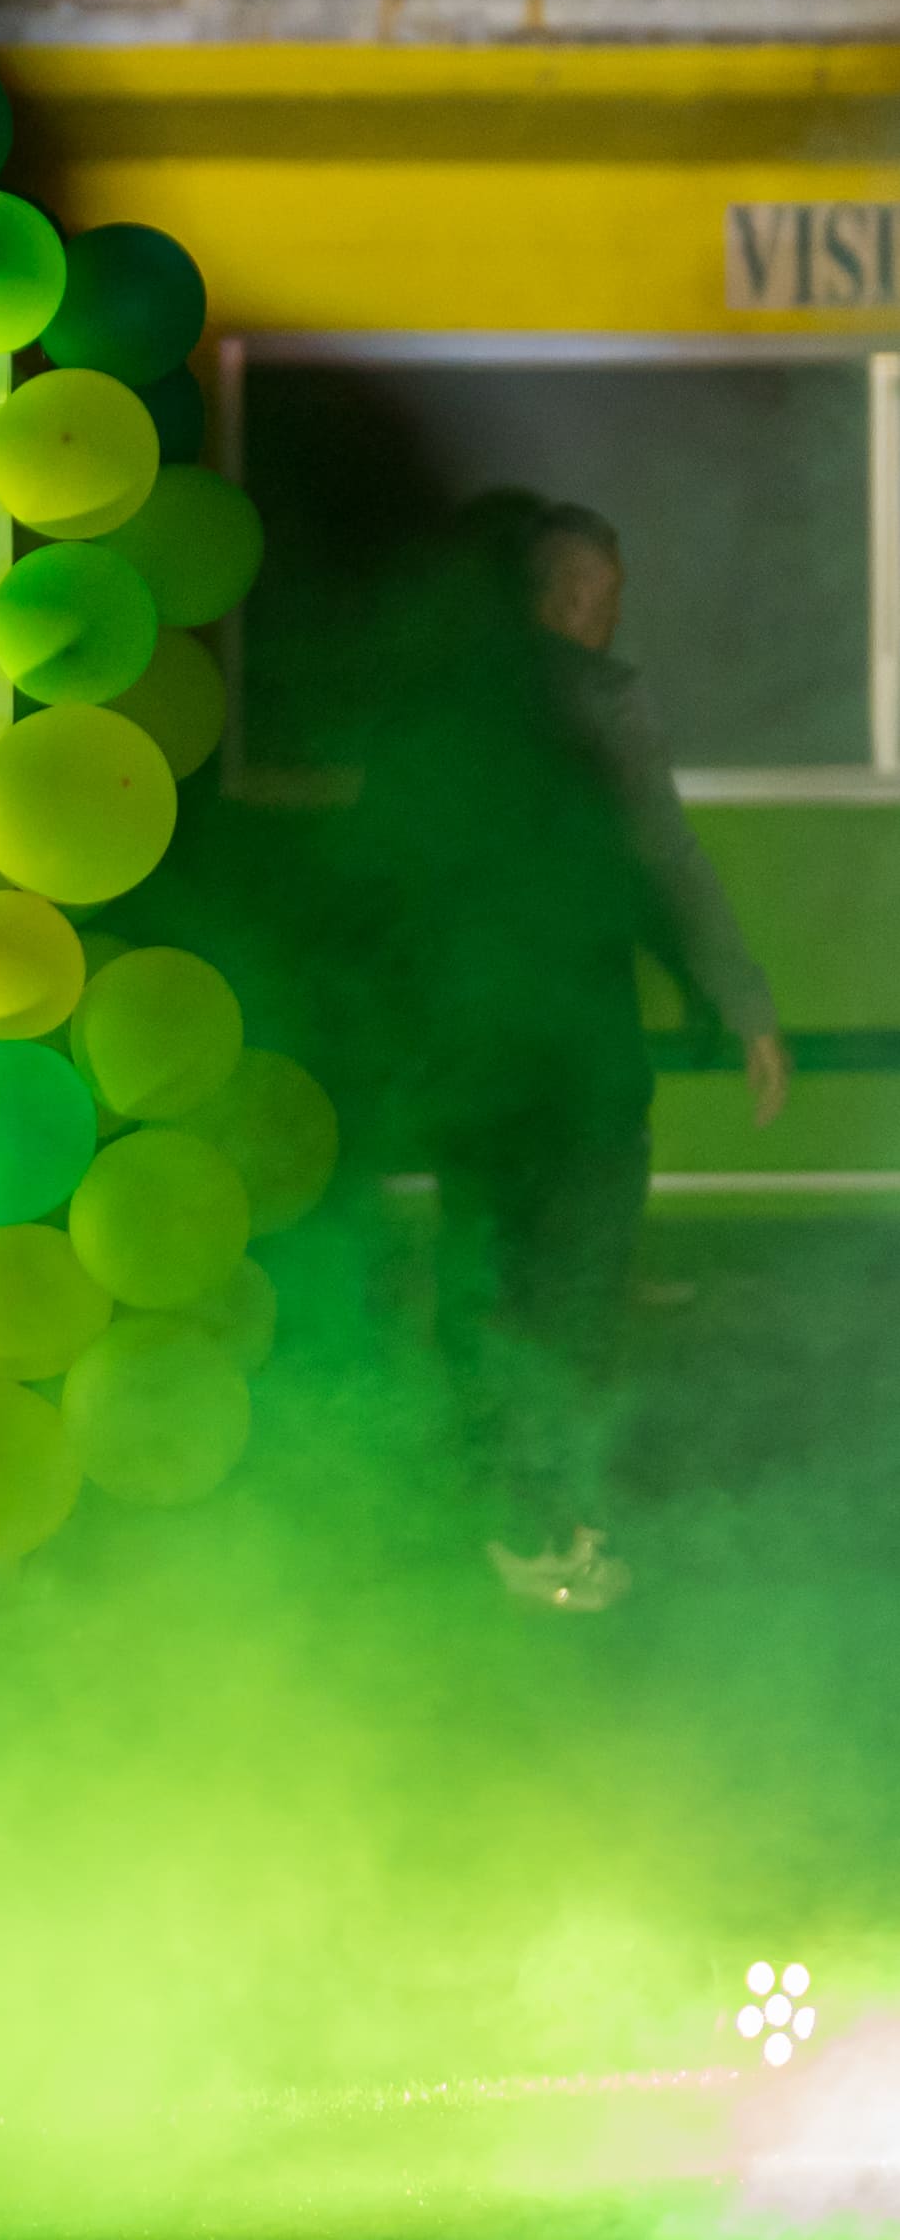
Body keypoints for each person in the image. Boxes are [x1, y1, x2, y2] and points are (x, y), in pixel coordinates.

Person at [386, 494, 785, 1613]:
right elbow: (663, 863)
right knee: (569, 1291)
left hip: (468, 1057)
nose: (611, 619)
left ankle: (477, 1505)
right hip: (574, 1060)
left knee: (482, 1277)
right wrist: (741, 1002)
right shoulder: (597, 704)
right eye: (605, 597)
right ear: (568, 596)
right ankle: (538, 1530)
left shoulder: (429, 704)